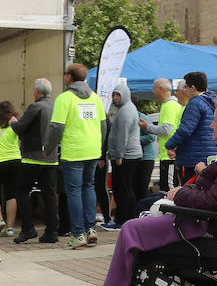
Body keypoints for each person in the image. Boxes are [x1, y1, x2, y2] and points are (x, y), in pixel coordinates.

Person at [87, 95, 217, 286]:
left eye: (216, 120)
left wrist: (180, 194)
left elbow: (214, 201)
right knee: (142, 214)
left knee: (131, 229)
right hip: (206, 222)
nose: (211, 124)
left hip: (201, 224)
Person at [47, 64, 107, 249]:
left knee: (73, 191)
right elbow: (104, 125)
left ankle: (77, 234)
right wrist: (99, 147)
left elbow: (57, 126)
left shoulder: (65, 98)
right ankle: (91, 230)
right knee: (89, 187)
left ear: (69, 78)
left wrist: (48, 148)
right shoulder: (95, 98)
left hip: (73, 151)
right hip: (92, 150)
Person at [11, 78, 59, 244]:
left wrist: (13, 123)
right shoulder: (55, 106)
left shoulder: (35, 107)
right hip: (52, 157)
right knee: (49, 194)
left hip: (33, 156)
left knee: (22, 192)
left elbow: (20, 128)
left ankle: (28, 228)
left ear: (37, 92)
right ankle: (52, 231)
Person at [165, 72, 217, 181]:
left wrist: (170, 145)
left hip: (192, 159)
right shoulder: (214, 102)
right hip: (211, 156)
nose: (185, 91)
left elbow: (185, 130)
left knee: (190, 192)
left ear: (192, 87)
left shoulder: (195, 103)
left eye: (186, 87)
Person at [105, 81, 143, 229]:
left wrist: (119, 155)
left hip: (126, 156)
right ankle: (127, 218)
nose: (115, 98)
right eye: (114, 95)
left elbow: (122, 136)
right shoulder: (127, 109)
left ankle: (123, 219)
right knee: (125, 188)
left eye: (118, 95)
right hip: (127, 155)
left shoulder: (126, 111)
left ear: (125, 95)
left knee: (123, 188)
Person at [0, 101, 21, 236]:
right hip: (15, 161)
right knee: (11, 194)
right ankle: (10, 228)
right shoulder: (15, 125)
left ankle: (0, 220)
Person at [154, 79, 184, 192]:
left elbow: (167, 130)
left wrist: (148, 127)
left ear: (161, 89)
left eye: (154, 88)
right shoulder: (168, 105)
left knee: (168, 191)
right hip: (167, 156)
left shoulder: (170, 105)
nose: (153, 92)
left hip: (170, 157)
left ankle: (167, 210)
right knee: (165, 189)